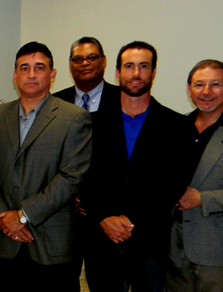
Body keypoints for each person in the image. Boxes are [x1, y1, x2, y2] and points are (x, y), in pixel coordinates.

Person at [0, 41, 92, 291]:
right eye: (24, 68)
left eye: (39, 68)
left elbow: (70, 178)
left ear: (52, 74)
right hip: (3, 244)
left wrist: (22, 216)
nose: (31, 74)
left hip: (51, 246)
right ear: (14, 75)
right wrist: (4, 219)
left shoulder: (73, 118)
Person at [84, 41, 189, 292]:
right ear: (118, 73)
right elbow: (81, 177)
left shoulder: (176, 125)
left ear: (153, 73)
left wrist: (132, 221)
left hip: (151, 244)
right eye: (129, 66)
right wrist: (103, 217)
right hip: (102, 241)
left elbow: (173, 184)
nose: (136, 73)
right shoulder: (90, 124)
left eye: (144, 66)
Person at [167, 60, 223, 292]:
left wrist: (203, 199)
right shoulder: (177, 127)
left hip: (218, 248)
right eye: (199, 85)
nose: (206, 92)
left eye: (215, 84)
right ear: (189, 89)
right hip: (173, 245)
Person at [53, 37, 120, 113]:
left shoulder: (123, 98)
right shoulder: (55, 103)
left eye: (91, 58)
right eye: (78, 59)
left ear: (104, 61)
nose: (85, 63)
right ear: (70, 65)